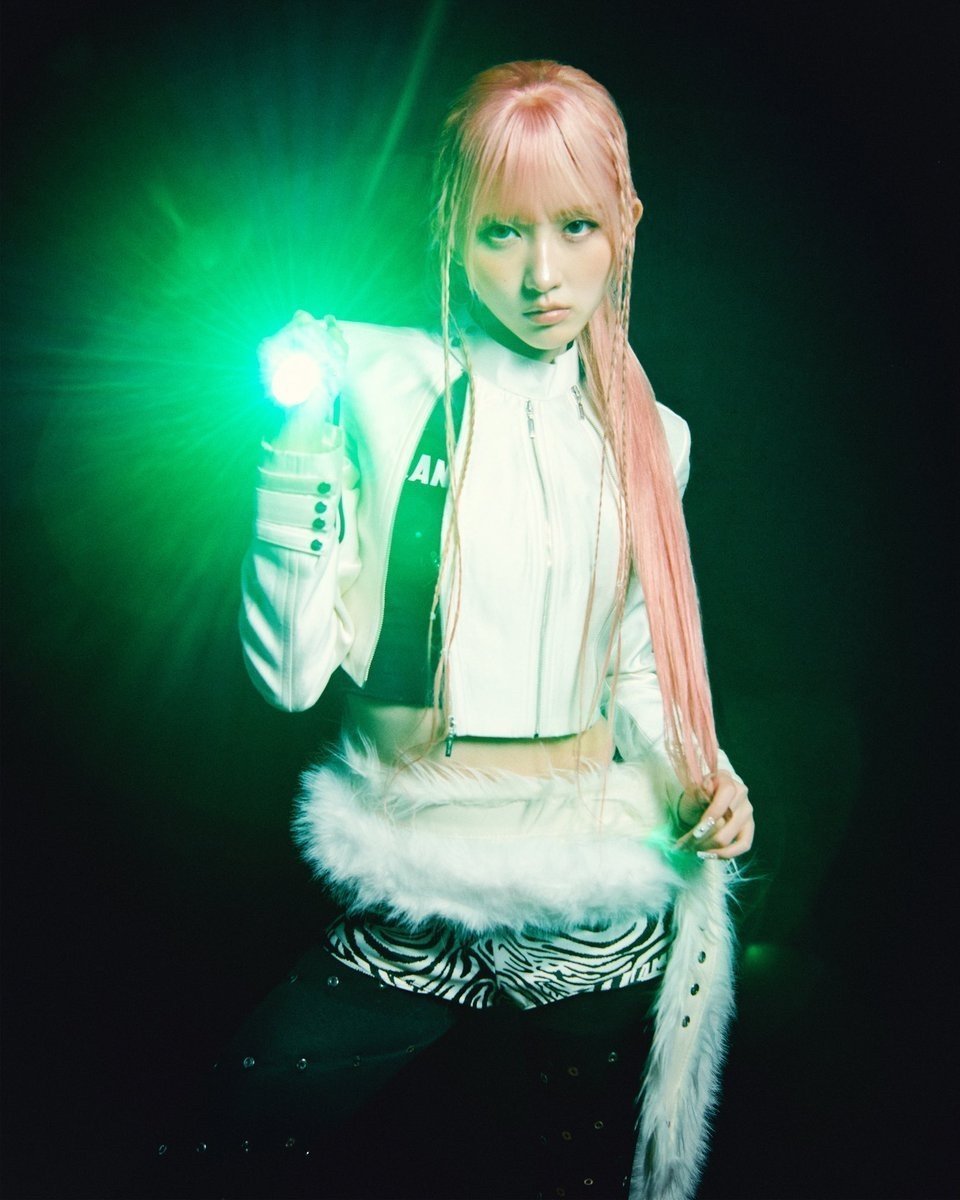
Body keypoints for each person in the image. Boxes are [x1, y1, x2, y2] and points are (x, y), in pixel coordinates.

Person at [220, 59, 754, 1200]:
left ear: (627, 223)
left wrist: (705, 776)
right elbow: (289, 677)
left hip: (588, 886)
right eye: (503, 232)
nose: (543, 274)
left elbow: (639, 667)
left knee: (585, 1176)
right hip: (410, 868)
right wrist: (296, 447)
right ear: (452, 232)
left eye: (577, 226)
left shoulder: (654, 436)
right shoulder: (372, 380)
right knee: (236, 1136)